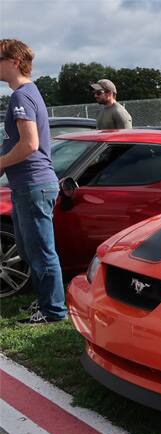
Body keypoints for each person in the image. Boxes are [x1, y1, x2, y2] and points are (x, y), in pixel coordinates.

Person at [0, 39, 67, 324]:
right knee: (29, 249)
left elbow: (29, 144)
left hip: (33, 184)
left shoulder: (21, 97)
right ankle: (45, 303)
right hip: (27, 185)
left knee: (40, 250)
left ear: (14, 61)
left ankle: (53, 311)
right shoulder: (27, 93)